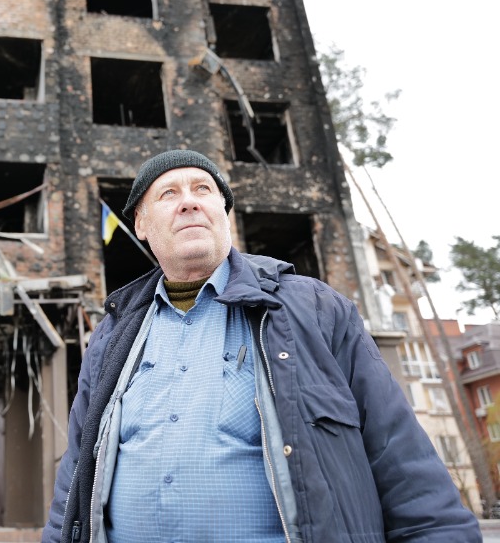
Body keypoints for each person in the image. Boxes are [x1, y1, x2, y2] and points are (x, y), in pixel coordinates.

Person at [43, 150, 481, 543]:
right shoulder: (111, 335)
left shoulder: (316, 309)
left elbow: (401, 461)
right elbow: (78, 473)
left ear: (224, 212)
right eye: (168, 193)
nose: (189, 200)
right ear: (141, 224)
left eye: (203, 189)